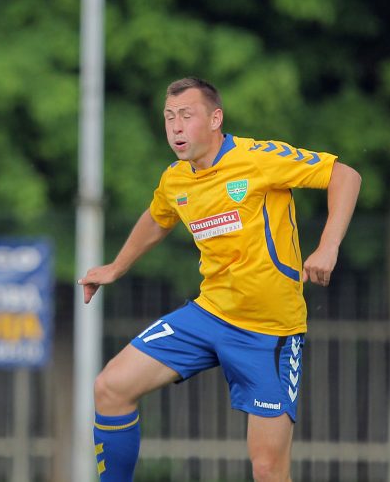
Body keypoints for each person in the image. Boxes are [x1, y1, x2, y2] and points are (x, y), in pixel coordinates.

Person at [77, 77, 361, 482]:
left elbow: (345, 176)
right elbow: (159, 217)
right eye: (169, 117)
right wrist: (116, 267)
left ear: (215, 119)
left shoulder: (257, 158)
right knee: (111, 387)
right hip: (209, 316)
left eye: (186, 116)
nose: (175, 127)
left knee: (268, 470)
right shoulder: (176, 179)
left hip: (269, 333)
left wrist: (328, 246)